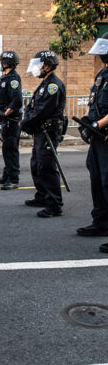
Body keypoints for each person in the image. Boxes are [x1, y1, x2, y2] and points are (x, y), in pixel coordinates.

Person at [21, 51, 66, 217]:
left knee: (46, 167)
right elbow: (32, 107)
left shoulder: (53, 85)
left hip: (49, 132)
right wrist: (27, 120)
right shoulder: (44, 84)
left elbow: (42, 111)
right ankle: (42, 196)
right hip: (40, 131)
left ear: (47, 66)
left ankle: (54, 204)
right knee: (36, 164)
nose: (35, 69)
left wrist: (25, 123)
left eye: (38, 65)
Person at [76, 33, 108, 239]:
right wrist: (87, 121)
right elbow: (93, 102)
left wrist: (98, 124)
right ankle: (101, 223)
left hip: (106, 136)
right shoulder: (102, 75)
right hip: (97, 138)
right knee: (96, 180)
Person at [0, 51, 23, 190]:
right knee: (6, 149)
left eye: (1, 62)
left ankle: (13, 178)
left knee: (11, 149)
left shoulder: (13, 79)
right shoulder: (5, 78)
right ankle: (7, 174)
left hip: (11, 119)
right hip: (6, 119)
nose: (0, 64)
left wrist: (5, 114)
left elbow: (16, 101)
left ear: (6, 63)